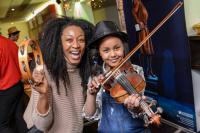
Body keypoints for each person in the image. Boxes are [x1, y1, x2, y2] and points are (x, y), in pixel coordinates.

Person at [23, 17, 94, 133]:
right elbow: (42, 125)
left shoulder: (84, 70)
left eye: (81, 40)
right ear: (59, 44)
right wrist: (43, 95)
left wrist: (92, 94)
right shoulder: (44, 72)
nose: (76, 45)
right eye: (69, 40)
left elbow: (86, 115)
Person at [83, 21, 151, 133]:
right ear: (99, 53)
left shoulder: (135, 70)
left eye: (116, 48)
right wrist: (91, 94)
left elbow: (141, 110)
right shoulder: (96, 77)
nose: (113, 54)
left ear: (123, 48)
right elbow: (89, 115)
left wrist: (135, 106)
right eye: (106, 50)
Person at [0, 35, 28, 133]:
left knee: (2, 124)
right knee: (19, 118)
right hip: (18, 86)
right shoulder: (10, 43)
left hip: (5, 89)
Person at [132, 0, 157, 79]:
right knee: (145, 51)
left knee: (149, 52)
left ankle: (150, 71)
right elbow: (133, 11)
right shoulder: (137, 1)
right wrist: (139, 22)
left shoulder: (140, 2)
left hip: (145, 29)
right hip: (142, 31)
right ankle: (146, 72)